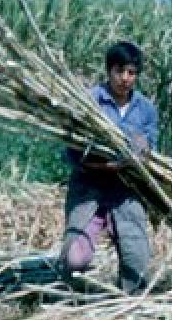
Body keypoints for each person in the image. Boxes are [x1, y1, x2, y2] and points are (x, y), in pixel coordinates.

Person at [59, 40, 158, 294]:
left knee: (136, 262)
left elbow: (151, 148)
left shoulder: (145, 109)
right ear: (109, 71)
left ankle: (129, 304)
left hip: (126, 189)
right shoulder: (89, 102)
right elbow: (71, 150)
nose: (125, 79)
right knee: (74, 259)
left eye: (132, 73)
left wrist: (142, 150)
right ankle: (75, 297)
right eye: (119, 71)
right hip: (89, 187)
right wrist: (103, 166)